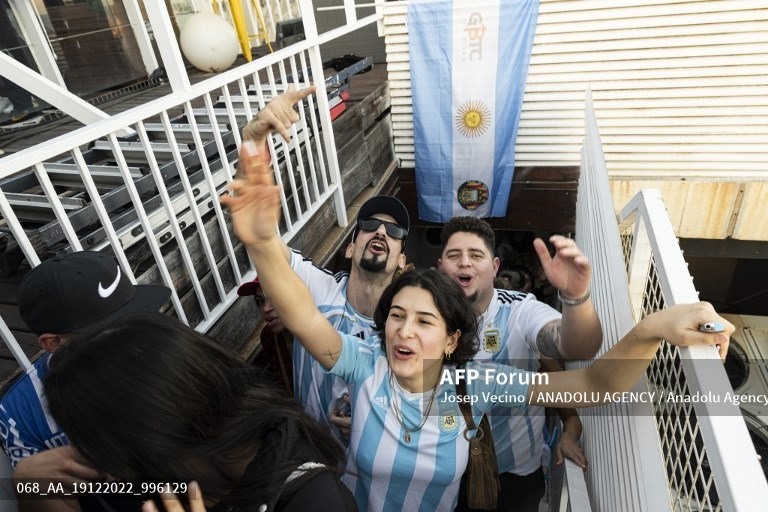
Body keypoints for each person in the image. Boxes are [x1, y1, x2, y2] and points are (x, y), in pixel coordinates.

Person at [220, 131, 732, 511]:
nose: (403, 329)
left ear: (452, 339)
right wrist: (264, 242)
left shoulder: (477, 383)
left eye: (424, 320)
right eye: (396, 316)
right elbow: (303, 313)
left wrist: (653, 328)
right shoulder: (365, 364)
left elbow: (595, 382)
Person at [43, 312, 357, 512]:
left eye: (96, 446)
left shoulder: (313, 501)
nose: (103, 467)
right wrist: (33, 490)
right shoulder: (172, 481)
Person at [240, 87, 409, 442]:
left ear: (403, 261)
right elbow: (270, 246)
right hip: (313, 453)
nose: (380, 230)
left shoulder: (407, 324)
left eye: (393, 230)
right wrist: (254, 139)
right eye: (368, 225)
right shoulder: (318, 288)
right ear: (350, 249)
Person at [439, 217, 600, 512]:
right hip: (445, 471)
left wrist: (576, 299)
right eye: (454, 255)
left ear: (495, 266)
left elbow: (576, 345)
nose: (465, 263)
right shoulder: (423, 315)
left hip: (514, 475)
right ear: (440, 267)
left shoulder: (520, 311)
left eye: (476, 255)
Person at [4, 251, 171, 512]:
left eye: (139, 314)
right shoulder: (20, 412)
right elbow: (41, 493)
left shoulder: (166, 346)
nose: (137, 333)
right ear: (54, 342)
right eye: (111, 330)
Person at [238, 277, 294, 393]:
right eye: (260, 301)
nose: (265, 308)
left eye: (273, 297)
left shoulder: (324, 329)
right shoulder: (269, 336)